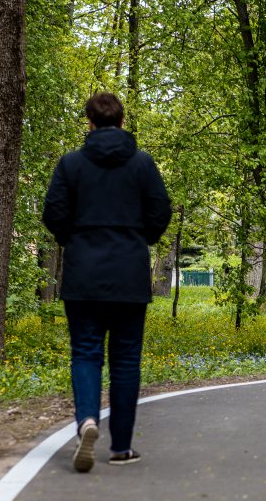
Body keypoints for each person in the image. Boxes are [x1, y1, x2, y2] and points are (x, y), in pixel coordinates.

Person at [43, 92, 172, 472]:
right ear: (121, 122)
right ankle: (122, 447)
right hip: (129, 275)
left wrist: (73, 239)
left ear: (89, 123)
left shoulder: (71, 164)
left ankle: (86, 420)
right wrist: (141, 239)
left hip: (83, 274)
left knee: (85, 352)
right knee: (126, 360)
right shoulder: (143, 165)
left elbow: (53, 213)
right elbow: (160, 211)